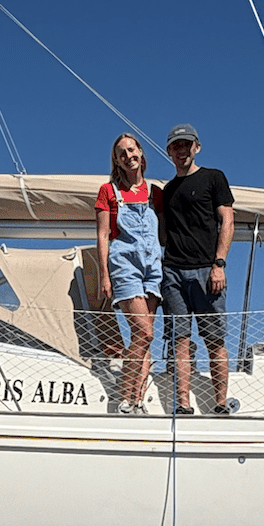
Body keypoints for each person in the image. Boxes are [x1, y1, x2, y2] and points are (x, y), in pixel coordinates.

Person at [159, 123, 234, 414]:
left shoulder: (214, 178)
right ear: (169, 152)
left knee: (214, 338)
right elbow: (163, 233)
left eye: (186, 145)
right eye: (176, 146)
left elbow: (227, 221)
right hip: (174, 272)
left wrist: (219, 263)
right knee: (181, 341)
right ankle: (183, 403)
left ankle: (220, 402)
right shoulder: (167, 191)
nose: (182, 150)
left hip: (207, 270)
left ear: (196, 147)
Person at [95, 133, 164, 414]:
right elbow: (102, 235)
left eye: (132, 150)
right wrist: (104, 274)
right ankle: (125, 398)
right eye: (121, 153)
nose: (128, 156)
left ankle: (138, 400)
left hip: (153, 266)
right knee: (143, 332)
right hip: (125, 265)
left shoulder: (155, 193)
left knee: (147, 338)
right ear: (116, 160)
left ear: (141, 153)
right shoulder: (108, 191)